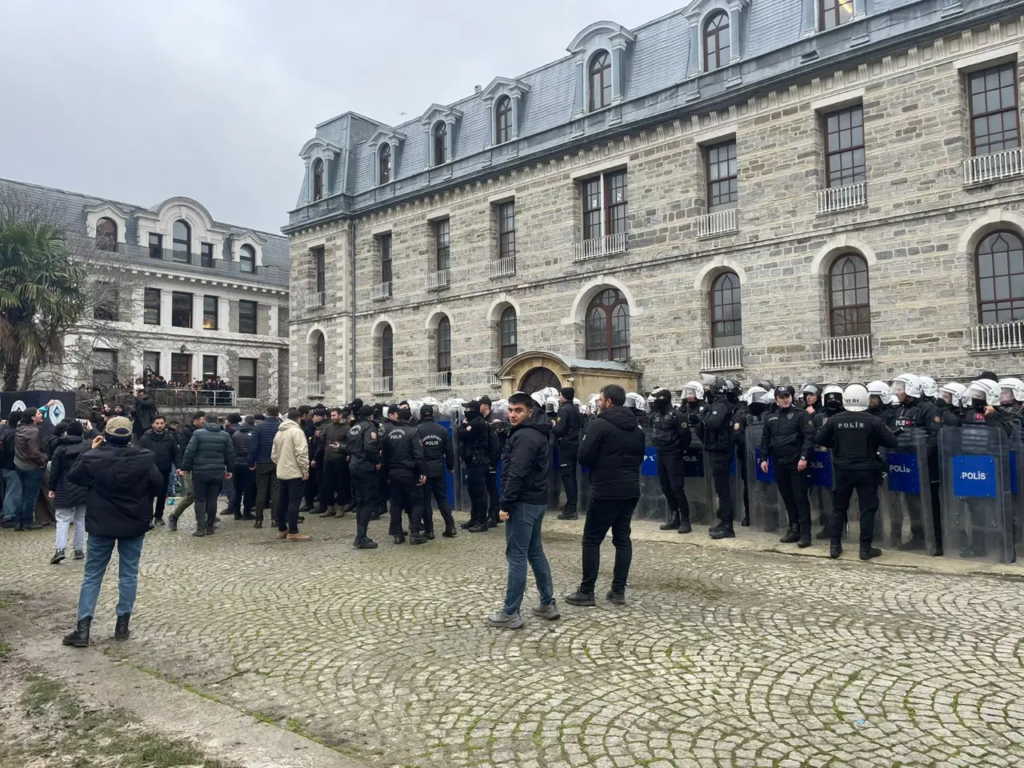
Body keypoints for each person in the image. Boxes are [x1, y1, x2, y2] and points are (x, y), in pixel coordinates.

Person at [61, 416, 164, 648]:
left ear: (106, 435)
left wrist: (90, 449)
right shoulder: (145, 458)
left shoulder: (93, 458)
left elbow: (74, 476)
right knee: (128, 574)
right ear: (129, 436)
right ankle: (122, 625)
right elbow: (158, 485)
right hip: (134, 522)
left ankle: (83, 629)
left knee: (92, 575)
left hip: (101, 523)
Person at [565, 385, 646, 607]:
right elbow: (639, 457)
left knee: (591, 540)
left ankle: (586, 591)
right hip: (629, 489)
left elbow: (583, 456)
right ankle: (618, 591)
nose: (598, 403)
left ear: (609, 401)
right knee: (622, 539)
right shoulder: (637, 428)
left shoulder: (599, 425)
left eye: (600, 399)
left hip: (606, 490)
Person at [488, 392, 556, 630]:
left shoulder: (526, 436)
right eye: (510, 410)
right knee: (535, 552)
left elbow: (517, 473)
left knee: (517, 556)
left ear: (530, 412)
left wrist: (505, 504)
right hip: (535, 501)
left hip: (523, 503)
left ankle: (510, 612)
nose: (513, 414)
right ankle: (547, 603)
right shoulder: (534, 432)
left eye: (518, 410)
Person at [814, 384, 898, 561]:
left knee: (838, 508)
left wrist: (836, 446)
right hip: (867, 469)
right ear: (865, 400)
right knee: (867, 509)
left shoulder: (835, 420)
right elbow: (891, 442)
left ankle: (835, 546)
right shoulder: (873, 420)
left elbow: (819, 439)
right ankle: (865, 549)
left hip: (842, 469)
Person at [760, 385, 815, 547]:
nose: (785, 399)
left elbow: (809, 437)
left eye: (787, 396)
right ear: (776, 399)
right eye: (782, 397)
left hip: (797, 463)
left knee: (800, 498)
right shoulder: (771, 417)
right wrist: (764, 458)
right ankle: (794, 529)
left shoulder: (801, 415)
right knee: (788, 498)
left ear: (791, 397)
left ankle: (806, 533)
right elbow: (765, 440)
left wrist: (804, 457)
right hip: (780, 462)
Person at [180, 414, 234, 537]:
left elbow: (189, 452)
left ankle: (200, 528)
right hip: (217, 471)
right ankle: (210, 527)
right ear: (217, 422)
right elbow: (230, 454)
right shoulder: (224, 435)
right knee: (212, 499)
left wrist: (185, 468)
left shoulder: (198, 434)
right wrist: (229, 469)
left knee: (199, 499)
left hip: (200, 471)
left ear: (205, 421)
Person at [650, 388, 693, 533]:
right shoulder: (656, 416)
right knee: (666, 487)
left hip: (673, 455)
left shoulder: (677, 415)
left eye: (658, 399)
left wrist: (677, 449)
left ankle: (685, 520)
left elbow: (686, 437)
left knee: (676, 488)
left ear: (665, 399)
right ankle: (674, 517)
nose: (655, 402)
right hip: (661, 454)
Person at [382, 408, 428, 544]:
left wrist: (387, 475)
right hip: (409, 472)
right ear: (409, 419)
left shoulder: (389, 434)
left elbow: (385, 457)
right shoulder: (413, 433)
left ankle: (397, 534)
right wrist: (423, 472)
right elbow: (419, 456)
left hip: (393, 472)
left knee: (396, 504)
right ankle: (415, 533)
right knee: (417, 502)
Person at [47, 420, 90, 564]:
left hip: (64, 486)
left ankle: (60, 549)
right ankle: (78, 549)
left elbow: (54, 471)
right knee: (80, 519)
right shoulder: (87, 447)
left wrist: (52, 488)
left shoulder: (60, 449)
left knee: (62, 520)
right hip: (83, 486)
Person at [703, 378, 741, 540]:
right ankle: (724, 522)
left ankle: (727, 525)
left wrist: (701, 419)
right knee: (721, 488)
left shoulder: (720, 405)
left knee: (723, 490)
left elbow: (713, 423)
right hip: (718, 449)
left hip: (720, 451)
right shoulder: (719, 404)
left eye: (708, 387)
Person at [417, 404, 457, 539]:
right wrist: (450, 466)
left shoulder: (417, 430)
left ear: (421, 415)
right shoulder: (442, 430)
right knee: (442, 499)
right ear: (432, 415)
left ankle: (429, 530)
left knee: (426, 501)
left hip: (424, 470)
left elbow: (415, 453)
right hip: (439, 468)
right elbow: (449, 451)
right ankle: (450, 526)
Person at [271, 408, 311, 541]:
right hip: (294, 472)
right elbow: (302, 452)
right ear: (298, 419)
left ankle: (282, 529)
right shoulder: (297, 432)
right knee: (294, 502)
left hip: (282, 471)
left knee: (282, 501)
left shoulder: (279, 432)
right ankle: (293, 531)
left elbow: (274, 455)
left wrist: (280, 464)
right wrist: (305, 469)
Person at [458, 401, 496, 533]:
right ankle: (474, 519)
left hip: (479, 461)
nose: (466, 411)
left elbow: (461, 434)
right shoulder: (474, 422)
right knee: (472, 491)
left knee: (479, 493)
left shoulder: (477, 423)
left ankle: (482, 521)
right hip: (472, 462)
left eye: (468, 409)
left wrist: (463, 426)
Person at [347, 405, 380, 549]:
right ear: (370, 416)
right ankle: (361, 536)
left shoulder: (353, 428)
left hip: (354, 465)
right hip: (365, 466)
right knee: (370, 499)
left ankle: (361, 534)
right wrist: (377, 461)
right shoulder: (369, 427)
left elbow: (349, 447)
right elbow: (370, 446)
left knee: (360, 500)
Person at [138, 415, 179, 526]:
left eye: (161, 423)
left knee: (162, 495)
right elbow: (139, 454)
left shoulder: (170, 438)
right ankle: (149, 517)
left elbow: (176, 453)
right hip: (149, 470)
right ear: (152, 424)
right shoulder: (145, 438)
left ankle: (158, 516)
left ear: (164, 424)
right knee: (148, 495)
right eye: (157, 423)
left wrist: (179, 467)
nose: (159, 425)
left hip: (164, 470)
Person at [166, 412, 205, 531]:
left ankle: (205, 519)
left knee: (203, 494)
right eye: (202, 422)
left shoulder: (202, 432)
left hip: (201, 466)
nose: (204, 424)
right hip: (189, 466)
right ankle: (174, 516)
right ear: (196, 420)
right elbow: (184, 449)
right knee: (191, 495)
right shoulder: (186, 432)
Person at [14, 407, 47, 532]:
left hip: (19, 464)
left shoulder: (19, 429)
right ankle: (27, 522)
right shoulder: (34, 431)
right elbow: (34, 453)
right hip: (32, 467)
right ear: (33, 417)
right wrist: (43, 460)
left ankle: (18, 521)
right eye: (39, 413)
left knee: (22, 493)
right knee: (30, 496)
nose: (41, 414)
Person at [249, 406, 282, 529]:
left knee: (261, 491)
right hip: (277, 462)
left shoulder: (258, 428)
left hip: (262, 462)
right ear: (277, 414)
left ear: (266, 414)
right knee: (276, 491)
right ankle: (275, 519)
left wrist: (251, 463)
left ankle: (258, 520)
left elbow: (253, 448)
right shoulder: (280, 428)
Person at [553, 387, 582, 521]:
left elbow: (559, 429)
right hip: (574, 445)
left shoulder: (564, 410)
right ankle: (572, 504)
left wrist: (553, 425)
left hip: (566, 446)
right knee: (572, 477)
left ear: (564, 397)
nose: (559, 398)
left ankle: (571, 508)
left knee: (567, 477)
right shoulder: (575, 409)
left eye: (560, 395)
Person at [318, 407, 351, 518]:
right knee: (327, 484)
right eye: (331, 415)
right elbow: (322, 441)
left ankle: (340, 507)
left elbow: (351, 445)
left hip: (340, 460)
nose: (332, 417)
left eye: (334, 415)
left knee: (341, 484)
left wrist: (341, 447)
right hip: (328, 459)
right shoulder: (328, 427)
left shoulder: (347, 428)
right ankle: (330, 507)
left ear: (340, 415)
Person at [479, 397, 504, 527]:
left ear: (486, 406)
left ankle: (494, 515)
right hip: (485, 457)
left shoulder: (494, 420)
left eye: (480, 405)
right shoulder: (483, 420)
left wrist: (493, 460)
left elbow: (497, 441)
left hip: (492, 458)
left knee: (492, 487)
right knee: (489, 487)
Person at [229, 416, 257, 520]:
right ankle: (246, 512)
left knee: (237, 489)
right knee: (248, 490)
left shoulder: (235, 434)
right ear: (253, 423)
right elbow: (254, 450)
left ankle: (236, 512)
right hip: (248, 464)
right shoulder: (254, 434)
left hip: (236, 464)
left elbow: (232, 449)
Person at [0, 411, 21, 528]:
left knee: (8, 491)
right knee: (12, 492)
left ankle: (6, 513)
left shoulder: (5, 432)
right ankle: (8, 516)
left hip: (5, 466)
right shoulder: (14, 434)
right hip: (12, 467)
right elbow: (14, 452)